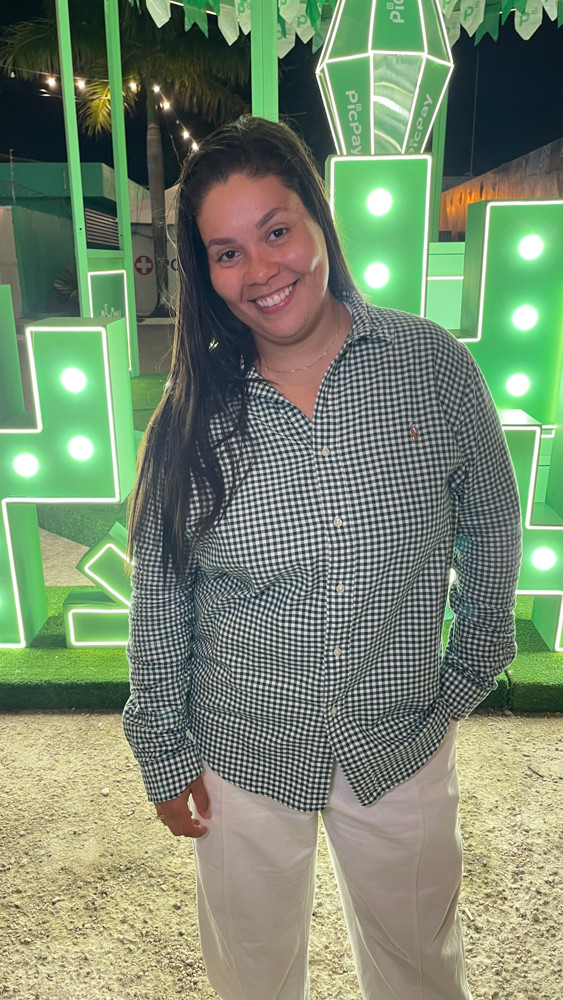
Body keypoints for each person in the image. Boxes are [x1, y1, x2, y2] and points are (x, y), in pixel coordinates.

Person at [123, 116, 522, 1000]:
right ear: (204, 272)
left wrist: (472, 661)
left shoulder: (428, 364)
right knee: (252, 976)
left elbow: (492, 521)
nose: (261, 270)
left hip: (400, 735)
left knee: (420, 967)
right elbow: (160, 595)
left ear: (316, 219)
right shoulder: (191, 414)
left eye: (276, 230)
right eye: (227, 252)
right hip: (241, 750)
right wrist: (161, 747)